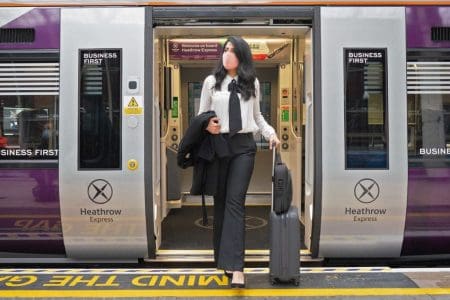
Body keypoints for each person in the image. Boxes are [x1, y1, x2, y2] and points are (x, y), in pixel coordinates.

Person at [198, 36, 280, 288]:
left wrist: (270, 133)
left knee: (235, 203)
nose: (228, 54)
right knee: (220, 204)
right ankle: (223, 260)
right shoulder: (211, 82)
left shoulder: (251, 83)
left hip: (244, 147)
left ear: (242, 56)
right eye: (225, 49)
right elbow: (201, 116)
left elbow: (257, 116)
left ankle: (237, 268)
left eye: (233, 50)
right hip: (218, 146)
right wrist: (207, 125)